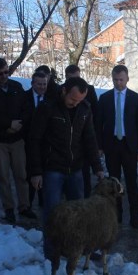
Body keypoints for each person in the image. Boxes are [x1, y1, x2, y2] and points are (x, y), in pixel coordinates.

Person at [28, 77, 104, 261]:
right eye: (73, 99)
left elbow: (90, 139)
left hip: (76, 168)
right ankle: (51, 252)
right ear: (64, 91)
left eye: (79, 100)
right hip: (53, 168)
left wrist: (97, 167)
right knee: (53, 213)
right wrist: (36, 171)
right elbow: (34, 140)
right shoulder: (47, 108)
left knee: (79, 212)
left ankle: (81, 248)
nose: (75, 103)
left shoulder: (84, 109)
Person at [0, 58, 35, 224]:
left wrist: (19, 125)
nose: (4, 76)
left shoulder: (17, 87)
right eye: (0, 73)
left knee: (21, 175)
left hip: (17, 138)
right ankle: (8, 209)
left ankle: (24, 206)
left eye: (6, 72)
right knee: (3, 177)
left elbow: (27, 109)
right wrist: (7, 125)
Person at [96, 65, 138, 228]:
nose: (118, 83)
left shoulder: (136, 99)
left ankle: (134, 215)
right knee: (113, 183)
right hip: (112, 145)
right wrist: (100, 146)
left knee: (131, 181)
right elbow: (99, 123)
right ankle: (116, 215)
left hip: (129, 145)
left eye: (121, 80)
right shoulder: (104, 98)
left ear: (127, 79)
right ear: (112, 79)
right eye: (115, 80)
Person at [65, 64, 99, 198]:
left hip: (84, 141)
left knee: (84, 176)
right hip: (66, 143)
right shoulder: (62, 91)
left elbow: (95, 114)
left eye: (77, 78)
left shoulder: (89, 90)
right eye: (71, 79)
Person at [22, 71, 50, 211]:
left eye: (44, 84)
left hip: (46, 143)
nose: (42, 87)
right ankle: (28, 205)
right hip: (27, 142)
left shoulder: (51, 99)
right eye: (39, 84)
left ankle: (42, 202)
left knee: (44, 173)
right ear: (32, 83)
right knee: (29, 174)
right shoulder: (23, 98)